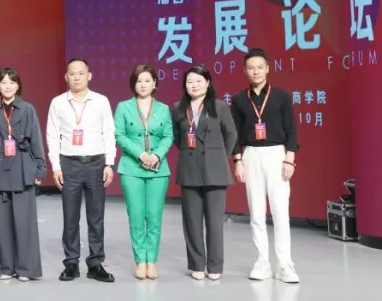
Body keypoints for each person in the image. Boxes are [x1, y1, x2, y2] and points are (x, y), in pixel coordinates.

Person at [231, 48, 300, 283]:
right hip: (251, 155)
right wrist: (238, 161)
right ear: (245, 70)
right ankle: (262, 262)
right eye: (251, 68)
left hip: (277, 155)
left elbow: (291, 130)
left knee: (281, 212)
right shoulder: (239, 99)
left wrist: (289, 159)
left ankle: (285, 265)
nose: (256, 72)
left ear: (268, 68)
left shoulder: (281, 97)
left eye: (260, 67)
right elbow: (235, 133)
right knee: (257, 213)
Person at [45, 57, 115, 283]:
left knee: (96, 217)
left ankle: (95, 263)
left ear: (89, 76)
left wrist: (109, 163)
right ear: (66, 77)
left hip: (96, 164)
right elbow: (52, 136)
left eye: (81, 73)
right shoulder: (57, 103)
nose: (76, 77)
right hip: (69, 165)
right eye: (72, 73)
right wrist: (56, 167)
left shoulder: (101, 101)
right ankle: (71, 263)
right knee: (70, 217)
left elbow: (109, 132)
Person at [172, 65, 237, 281]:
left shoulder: (219, 106)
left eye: (199, 81)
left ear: (207, 84)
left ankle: (215, 265)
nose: (194, 85)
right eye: (190, 81)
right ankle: (197, 264)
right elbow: (177, 138)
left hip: (215, 171)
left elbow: (231, 134)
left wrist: (219, 156)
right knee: (191, 221)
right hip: (189, 169)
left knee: (214, 222)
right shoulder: (178, 108)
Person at [113, 64, 172, 280]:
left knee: (154, 216)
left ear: (155, 83)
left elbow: (168, 136)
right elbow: (119, 135)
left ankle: (151, 261)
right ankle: (140, 260)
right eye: (139, 81)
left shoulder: (164, 109)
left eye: (147, 80)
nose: (143, 85)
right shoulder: (123, 107)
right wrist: (140, 154)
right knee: (136, 216)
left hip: (158, 169)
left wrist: (156, 155)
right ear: (133, 84)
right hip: (132, 168)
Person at [0, 67, 44, 281]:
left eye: (12, 82)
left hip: (22, 166)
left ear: (18, 85)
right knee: (2, 221)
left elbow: (36, 139)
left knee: (24, 221)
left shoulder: (27, 109)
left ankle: (26, 268)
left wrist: (40, 168)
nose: (7, 86)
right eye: (3, 82)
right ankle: (5, 267)